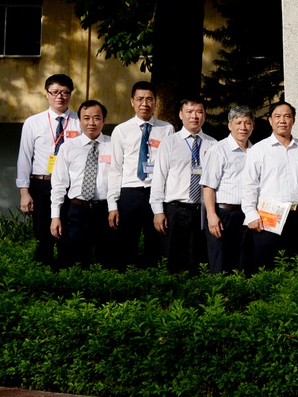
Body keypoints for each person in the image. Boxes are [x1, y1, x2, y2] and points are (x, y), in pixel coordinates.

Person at [108, 81, 176, 269]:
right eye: (140, 99)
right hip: (129, 193)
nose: (144, 104)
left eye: (149, 99)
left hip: (156, 192)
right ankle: (127, 280)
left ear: (155, 102)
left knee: (156, 242)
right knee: (126, 243)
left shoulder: (167, 129)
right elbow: (115, 169)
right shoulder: (121, 130)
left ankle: (153, 280)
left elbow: (170, 167)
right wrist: (112, 205)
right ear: (132, 101)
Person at [16, 73, 79, 266]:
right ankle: (43, 274)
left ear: (70, 94)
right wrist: (24, 192)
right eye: (55, 92)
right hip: (42, 184)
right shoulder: (33, 122)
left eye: (65, 92)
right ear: (47, 93)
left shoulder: (79, 121)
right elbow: (24, 157)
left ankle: (66, 273)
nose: (60, 96)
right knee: (43, 234)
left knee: (68, 234)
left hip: (70, 185)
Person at [150, 98, 217, 272]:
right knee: (171, 259)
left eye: (199, 112)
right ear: (181, 115)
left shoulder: (213, 144)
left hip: (201, 211)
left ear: (204, 115)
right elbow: (159, 178)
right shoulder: (169, 142)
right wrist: (158, 211)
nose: (194, 116)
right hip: (174, 210)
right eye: (189, 112)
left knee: (197, 260)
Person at [241, 101, 298, 272]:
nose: (282, 121)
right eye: (277, 116)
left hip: (296, 217)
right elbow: (249, 185)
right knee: (266, 266)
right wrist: (250, 214)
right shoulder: (259, 150)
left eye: (287, 116)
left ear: (293, 120)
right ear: (270, 120)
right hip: (268, 218)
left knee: (294, 266)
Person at [50, 100, 113, 268]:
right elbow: (59, 184)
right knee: (75, 261)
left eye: (96, 118)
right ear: (79, 121)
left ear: (104, 120)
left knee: (106, 261)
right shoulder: (68, 147)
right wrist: (55, 216)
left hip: (105, 211)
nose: (91, 123)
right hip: (77, 211)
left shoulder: (114, 145)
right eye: (86, 118)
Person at [201, 106, 256, 273]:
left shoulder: (256, 151)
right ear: (230, 125)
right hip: (224, 215)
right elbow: (208, 186)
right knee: (221, 264)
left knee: (243, 264)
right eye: (238, 123)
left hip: (248, 215)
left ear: (253, 126)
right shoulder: (218, 150)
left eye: (247, 123)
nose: (243, 127)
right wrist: (211, 216)